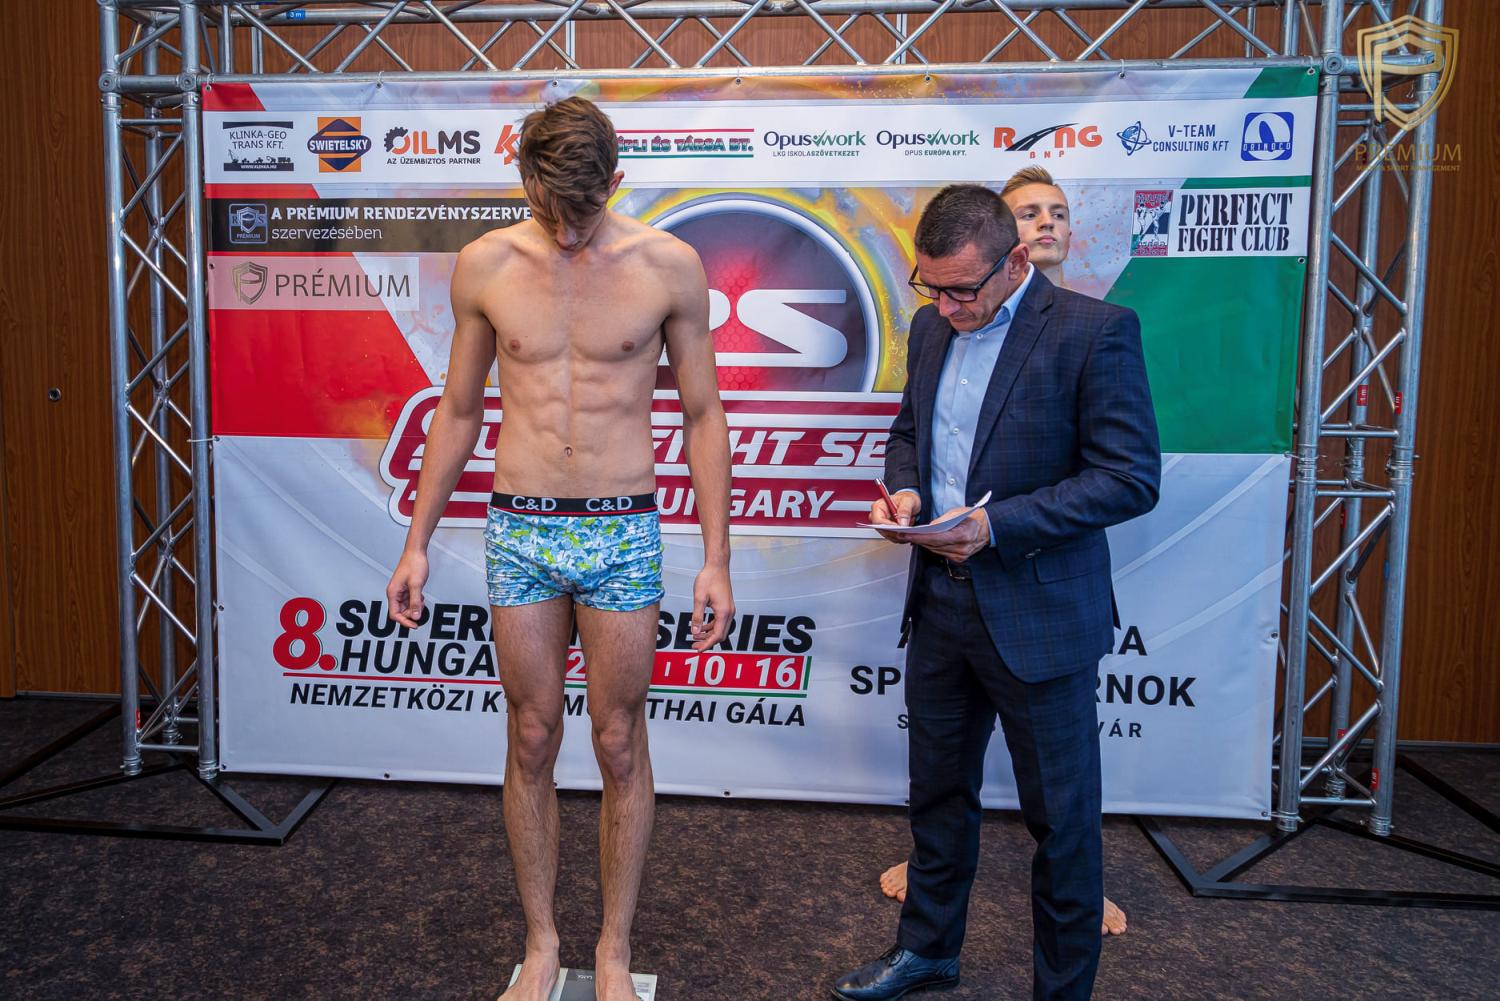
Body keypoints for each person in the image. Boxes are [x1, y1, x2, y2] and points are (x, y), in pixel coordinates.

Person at [385, 96, 734, 1001]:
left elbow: (703, 414)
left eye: (584, 211)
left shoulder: (669, 265)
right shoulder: (487, 264)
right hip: (521, 526)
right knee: (532, 732)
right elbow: (459, 409)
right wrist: (416, 542)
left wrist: (717, 558)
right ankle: (541, 941)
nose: (568, 232)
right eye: (550, 211)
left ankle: (613, 947)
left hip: (623, 527)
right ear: (524, 182)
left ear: (617, 181)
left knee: (619, 740)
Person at [833, 184, 1160, 1001]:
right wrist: (907, 491)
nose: (946, 307)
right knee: (937, 797)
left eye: (962, 290)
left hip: (1040, 614)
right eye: (931, 287)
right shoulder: (930, 327)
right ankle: (927, 951)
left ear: (1015, 261)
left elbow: (1129, 477)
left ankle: (1063, 990)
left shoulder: (1095, 332)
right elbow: (909, 432)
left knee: (1062, 820)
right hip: (940, 604)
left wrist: (996, 525)